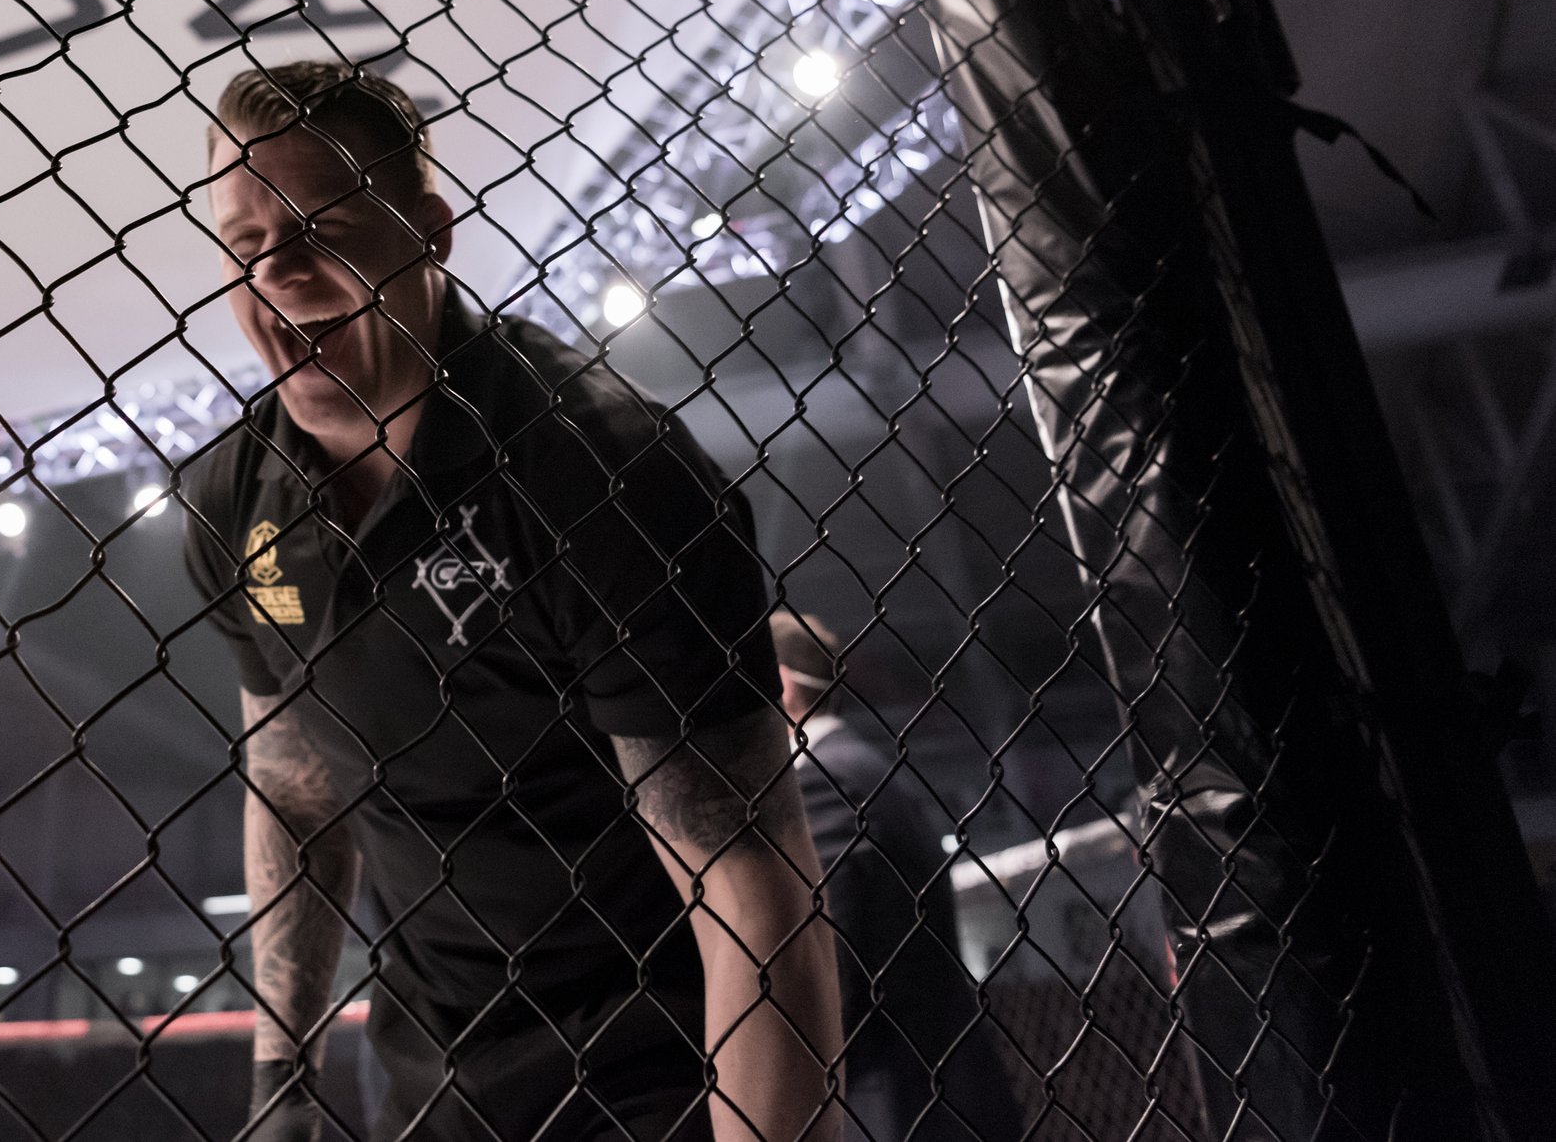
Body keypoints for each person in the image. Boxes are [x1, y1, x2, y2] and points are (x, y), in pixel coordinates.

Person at [183, 63, 841, 1142]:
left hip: (660, 1066)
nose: (281, 272)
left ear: (429, 232)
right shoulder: (232, 499)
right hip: (432, 1080)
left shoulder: (595, 470)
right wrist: (280, 1076)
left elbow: (751, 893)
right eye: (245, 241)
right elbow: (296, 789)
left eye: (323, 226)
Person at [771, 611, 1022, 1142]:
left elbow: (837, 969)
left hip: (892, 1104)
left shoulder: (825, 783)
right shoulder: (865, 768)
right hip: (934, 1091)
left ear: (781, 683)